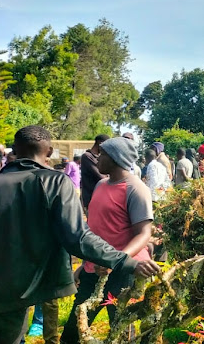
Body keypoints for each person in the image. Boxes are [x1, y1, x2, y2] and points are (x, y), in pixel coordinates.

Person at [0, 126, 159, 344]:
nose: (95, 157)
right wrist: (117, 262)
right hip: (11, 294)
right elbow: (78, 236)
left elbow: (141, 231)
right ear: (49, 151)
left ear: (14, 150)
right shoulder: (55, 182)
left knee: (120, 325)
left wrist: (122, 261)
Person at [60, 137, 156, 344]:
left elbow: (144, 233)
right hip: (94, 269)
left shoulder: (136, 189)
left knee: (121, 331)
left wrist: (117, 261)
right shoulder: (101, 185)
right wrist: (86, 264)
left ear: (115, 158)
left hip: (122, 272)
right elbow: (96, 229)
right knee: (71, 334)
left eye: (102, 154)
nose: (97, 158)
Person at [81, 134, 109, 209]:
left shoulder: (99, 157)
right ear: (100, 143)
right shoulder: (87, 156)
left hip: (101, 197)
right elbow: (102, 176)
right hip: (91, 198)